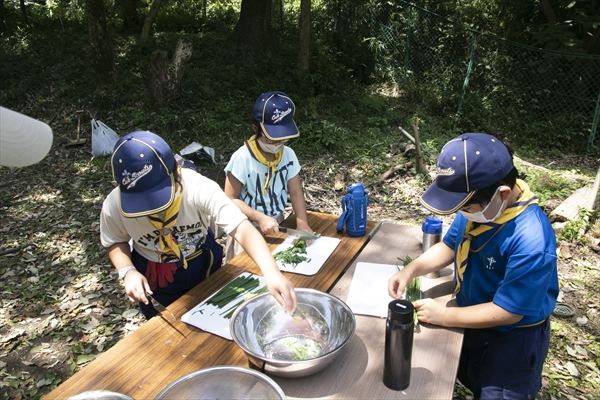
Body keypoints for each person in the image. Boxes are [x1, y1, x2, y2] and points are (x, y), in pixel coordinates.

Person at [388, 133, 558, 399]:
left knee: (497, 392)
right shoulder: (482, 208)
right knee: (468, 374)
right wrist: (412, 269)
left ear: (501, 193)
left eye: (466, 205)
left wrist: (444, 316)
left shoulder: (532, 239)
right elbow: (450, 245)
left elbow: (508, 311)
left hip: (511, 340)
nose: (462, 212)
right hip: (471, 316)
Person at [100, 130, 296, 319]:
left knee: (213, 314)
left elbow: (242, 228)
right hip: (155, 271)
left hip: (202, 259)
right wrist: (127, 271)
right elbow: (114, 240)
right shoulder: (116, 204)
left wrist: (271, 272)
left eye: (157, 195)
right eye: (142, 201)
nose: (153, 208)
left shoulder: (197, 187)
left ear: (176, 169)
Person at [223, 91, 312, 258]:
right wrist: (259, 217)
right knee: (246, 273)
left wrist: (302, 222)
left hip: (276, 224)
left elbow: (295, 191)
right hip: (245, 227)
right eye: (273, 138)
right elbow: (230, 199)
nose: (279, 143)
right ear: (255, 128)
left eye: (283, 138)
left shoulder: (288, 155)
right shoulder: (242, 158)